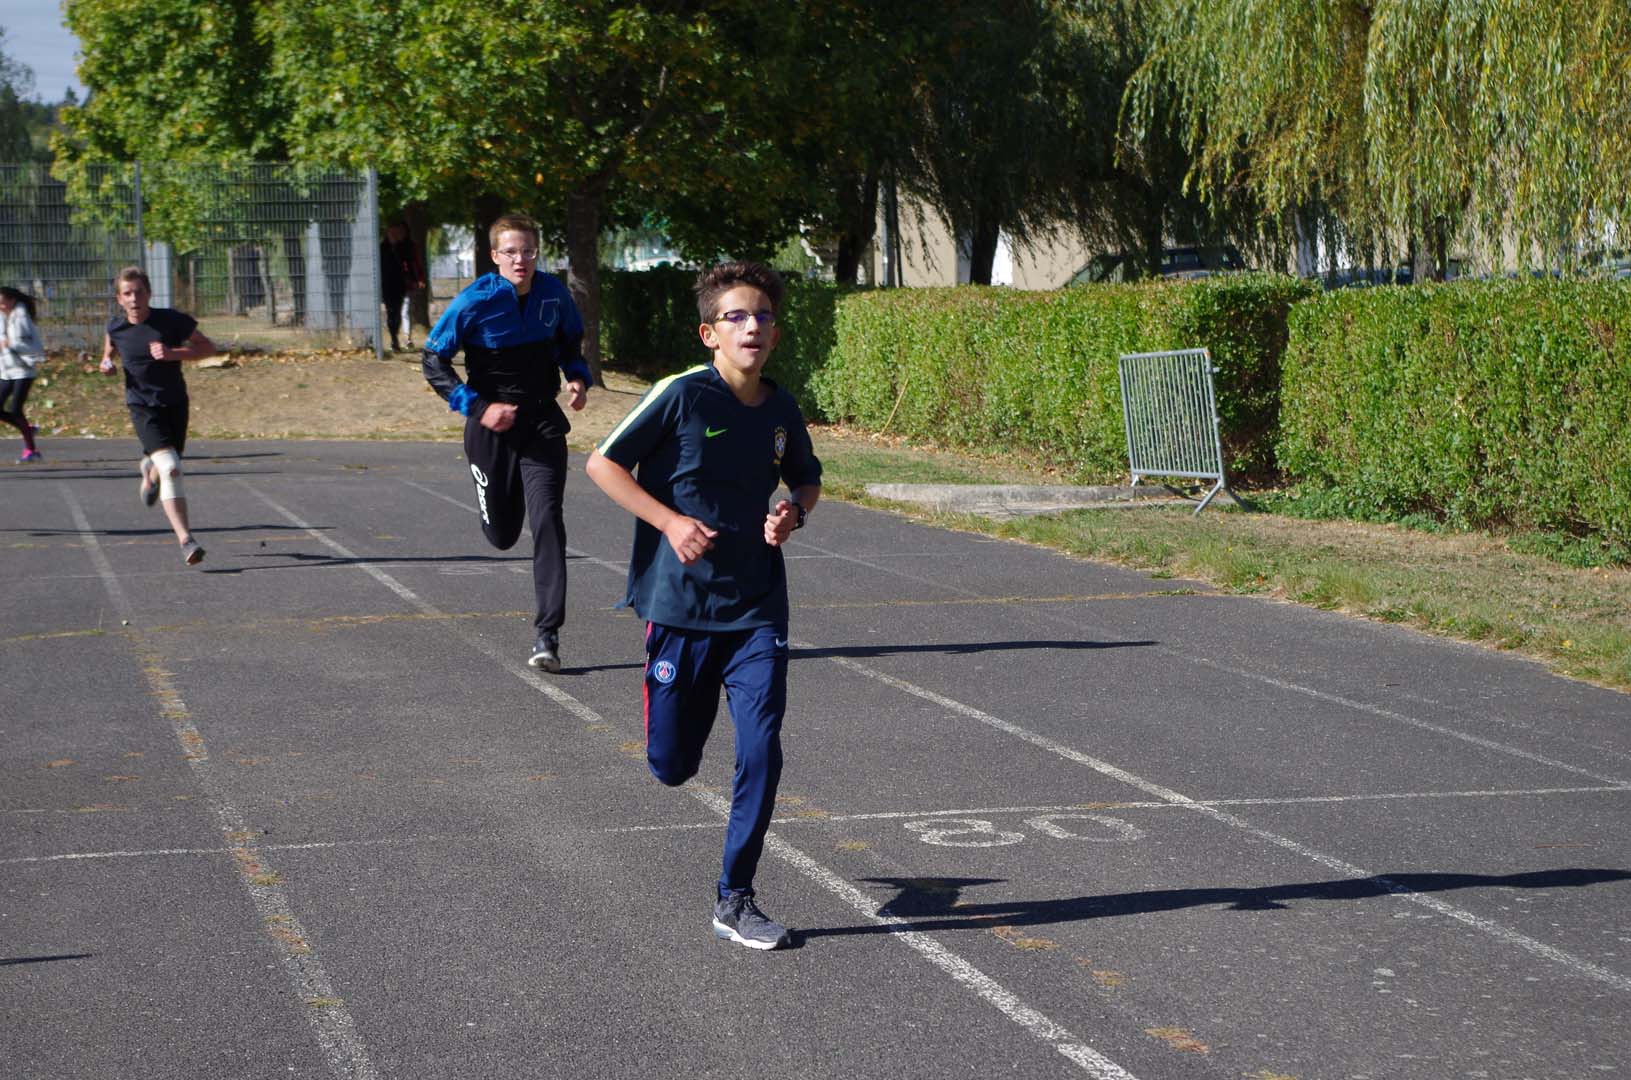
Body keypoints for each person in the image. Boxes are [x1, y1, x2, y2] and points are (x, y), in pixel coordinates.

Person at [586, 261, 822, 951]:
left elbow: (805, 481)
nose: (753, 327)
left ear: (775, 333)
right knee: (672, 766)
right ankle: (666, 728)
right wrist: (668, 522)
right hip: (681, 604)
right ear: (709, 333)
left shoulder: (780, 407)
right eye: (738, 317)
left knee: (761, 747)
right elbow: (602, 463)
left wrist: (791, 515)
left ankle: (736, 896)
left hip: (756, 606)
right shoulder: (680, 396)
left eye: (764, 317)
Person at [421, 213, 590, 671]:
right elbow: (433, 360)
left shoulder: (554, 294)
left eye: (529, 250)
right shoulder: (474, 301)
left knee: (548, 519)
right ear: (495, 256)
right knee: (501, 535)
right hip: (490, 427)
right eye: (511, 252)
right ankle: (495, 512)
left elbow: (570, 344)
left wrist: (576, 378)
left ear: (538, 253)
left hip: (541, 424)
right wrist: (479, 408)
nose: (522, 259)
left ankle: (547, 635)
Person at [99, 267, 218, 566]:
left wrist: (172, 354)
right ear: (119, 299)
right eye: (127, 293)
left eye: (139, 291)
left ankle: (148, 472)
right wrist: (106, 364)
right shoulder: (115, 328)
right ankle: (186, 541)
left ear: (149, 294)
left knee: (167, 463)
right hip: (142, 406)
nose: (134, 298)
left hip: (175, 403)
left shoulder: (171, 321)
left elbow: (208, 348)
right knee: (172, 467)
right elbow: (109, 352)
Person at [0, 286, 45, 463]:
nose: (0, 306)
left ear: (12, 301)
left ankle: (31, 450)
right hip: (7, 370)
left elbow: (30, 346)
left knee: (16, 410)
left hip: (23, 371)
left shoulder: (21, 318)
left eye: (3, 303)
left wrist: (11, 344)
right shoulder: (4, 316)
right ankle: (26, 428)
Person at [380, 221, 425, 353]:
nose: (395, 235)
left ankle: (396, 336)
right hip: (386, 283)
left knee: (399, 311)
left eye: (397, 232)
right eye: (392, 232)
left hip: (399, 284)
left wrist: (416, 279)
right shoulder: (382, 248)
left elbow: (412, 265)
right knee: (390, 311)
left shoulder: (404, 247)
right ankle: (394, 337)